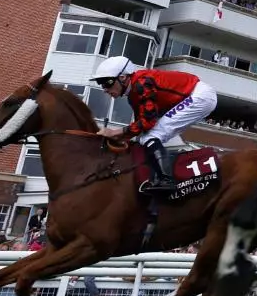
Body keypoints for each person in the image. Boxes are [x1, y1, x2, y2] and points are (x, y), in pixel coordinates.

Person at [90, 55, 218, 194]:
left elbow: (147, 122)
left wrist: (115, 132)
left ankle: (167, 180)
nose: (104, 89)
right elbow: (140, 127)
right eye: (100, 84)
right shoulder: (133, 94)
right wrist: (120, 138)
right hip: (196, 96)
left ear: (123, 77)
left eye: (107, 82)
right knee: (145, 138)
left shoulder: (141, 83)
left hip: (199, 96)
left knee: (153, 135)